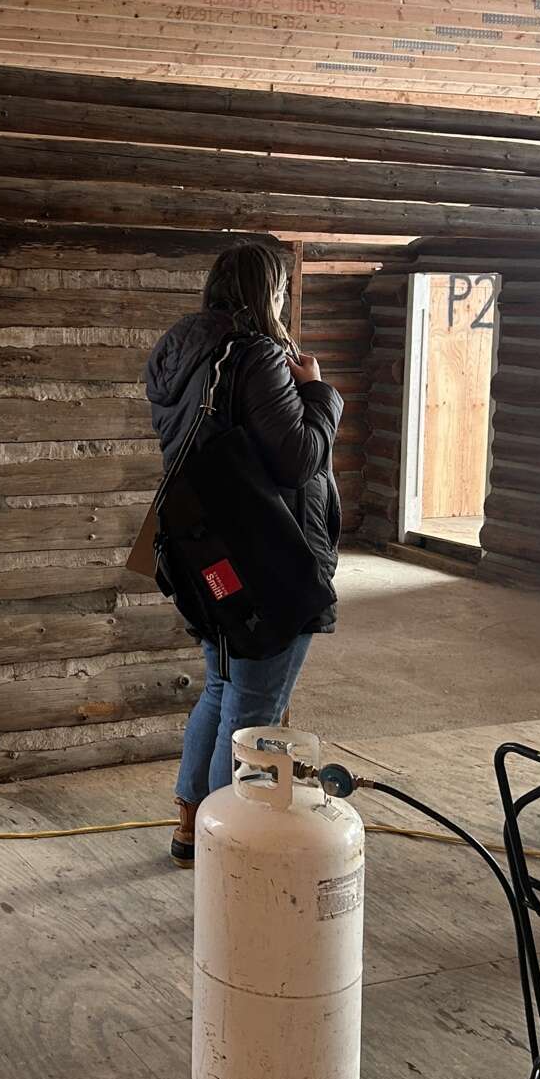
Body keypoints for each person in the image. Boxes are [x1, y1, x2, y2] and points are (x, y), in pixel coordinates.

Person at [145, 243, 343, 866]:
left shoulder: (184, 353)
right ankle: (226, 843)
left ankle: (189, 825)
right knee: (254, 706)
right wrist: (318, 393)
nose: (285, 298)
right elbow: (299, 456)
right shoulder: (255, 355)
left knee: (221, 686)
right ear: (268, 292)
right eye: (281, 288)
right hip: (266, 555)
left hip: (209, 553)